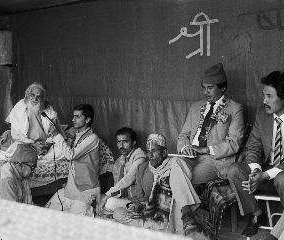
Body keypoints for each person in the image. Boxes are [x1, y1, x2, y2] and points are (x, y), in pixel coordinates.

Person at [175, 63, 245, 233]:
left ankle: (186, 223)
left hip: (214, 160)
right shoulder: (195, 107)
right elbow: (183, 135)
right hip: (190, 156)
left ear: (223, 88)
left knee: (181, 179)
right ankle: (188, 218)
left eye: (210, 88)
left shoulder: (235, 109)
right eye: (204, 87)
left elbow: (234, 144)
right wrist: (186, 148)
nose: (205, 92)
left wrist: (205, 150)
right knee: (176, 163)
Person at [227, 71, 284, 239]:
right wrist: (255, 171)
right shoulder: (263, 114)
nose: (264, 101)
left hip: (281, 172)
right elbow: (253, 146)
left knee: (282, 178)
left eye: (269, 96)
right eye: (263, 95)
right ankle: (257, 213)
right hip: (266, 166)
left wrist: (265, 175)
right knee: (234, 170)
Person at [113, 134, 189, 232]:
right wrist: (137, 205)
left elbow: (177, 200)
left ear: (164, 152)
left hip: (168, 215)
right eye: (148, 151)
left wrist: (152, 210)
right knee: (118, 213)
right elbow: (140, 197)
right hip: (148, 211)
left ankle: (159, 227)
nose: (150, 155)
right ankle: (154, 228)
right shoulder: (142, 168)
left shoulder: (174, 167)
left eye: (154, 151)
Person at [45, 104, 100, 216]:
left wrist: (56, 134)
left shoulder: (92, 138)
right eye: (73, 116)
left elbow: (71, 155)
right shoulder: (76, 135)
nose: (72, 119)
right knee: (46, 212)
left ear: (88, 119)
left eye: (77, 117)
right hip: (71, 189)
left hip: (85, 191)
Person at [5, 82, 65, 160]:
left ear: (43, 99)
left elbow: (54, 132)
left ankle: (40, 155)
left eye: (38, 97)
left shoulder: (49, 110)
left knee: (61, 151)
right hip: (26, 144)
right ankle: (38, 156)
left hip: (44, 145)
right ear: (27, 95)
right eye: (32, 95)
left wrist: (47, 144)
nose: (35, 99)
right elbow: (16, 135)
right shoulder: (20, 107)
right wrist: (33, 144)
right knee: (17, 151)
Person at [97, 127, 146, 213]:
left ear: (133, 142)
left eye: (125, 141)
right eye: (119, 142)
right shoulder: (121, 159)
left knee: (109, 203)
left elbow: (128, 179)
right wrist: (106, 196)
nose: (121, 145)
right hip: (126, 197)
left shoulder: (140, 157)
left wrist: (107, 196)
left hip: (139, 201)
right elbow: (117, 184)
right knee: (99, 199)